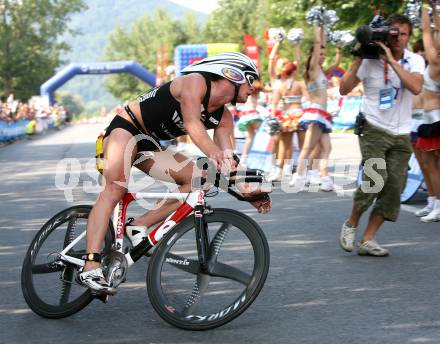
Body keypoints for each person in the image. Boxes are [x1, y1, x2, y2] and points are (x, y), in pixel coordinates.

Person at [77, 52, 272, 293]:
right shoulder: (195, 82)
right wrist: (215, 153)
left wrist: (247, 193)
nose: (254, 88)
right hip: (126, 128)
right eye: (251, 80)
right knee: (115, 188)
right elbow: (192, 124)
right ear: (232, 74)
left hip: (150, 144)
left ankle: (138, 224)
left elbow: (229, 164)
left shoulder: (224, 118)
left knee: (200, 178)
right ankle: (90, 265)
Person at [339, 14, 424, 256]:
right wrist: (358, 58)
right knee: (376, 177)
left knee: (395, 187)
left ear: (408, 37)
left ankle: (367, 240)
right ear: (386, 33)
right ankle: (351, 223)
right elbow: (344, 89)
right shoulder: (369, 60)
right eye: (394, 32)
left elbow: (416, 87)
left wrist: (391, 61)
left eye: (403, 34)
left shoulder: (414, 60)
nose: (398, 37)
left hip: (402, 132)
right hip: (373, 126)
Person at [289, 25, 339, 191]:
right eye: (320, 54)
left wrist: (337, 45)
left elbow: (336, 62)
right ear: (313, 55)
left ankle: (323, 177)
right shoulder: (312, 70)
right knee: (308, 147)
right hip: (315, 112)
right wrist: (317, 28)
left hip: (322, 114)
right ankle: (298, 177)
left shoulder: (322, 71)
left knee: (327, 148)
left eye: (325, 54)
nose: (323, 56)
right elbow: (317, 45)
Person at [417, 1, 440, 222]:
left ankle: (438, 205)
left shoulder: (434, 61)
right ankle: (435, 203)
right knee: (430, 162)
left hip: (434, 118)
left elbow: (426, 29)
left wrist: (426, 6)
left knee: (432, 164)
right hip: (433, 116)